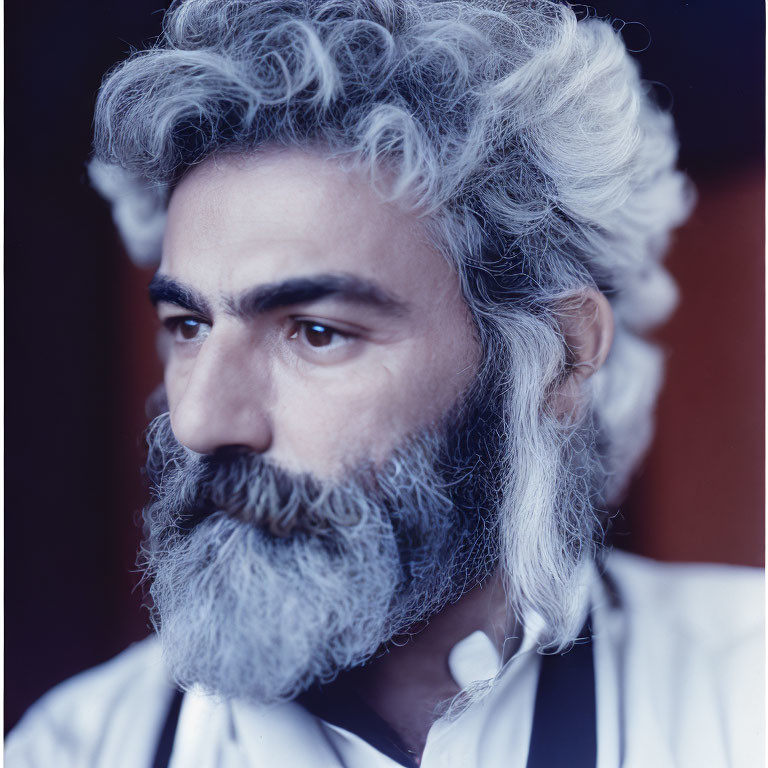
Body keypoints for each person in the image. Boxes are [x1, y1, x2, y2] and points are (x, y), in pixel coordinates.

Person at [6, 1, 763, 766]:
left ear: (559, 358)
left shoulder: (743, 694)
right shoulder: (73, 748)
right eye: (189, 328)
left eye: (317, 331)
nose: (200, 420)